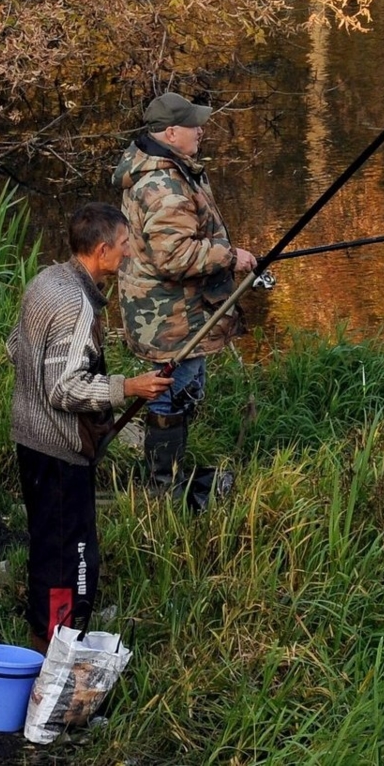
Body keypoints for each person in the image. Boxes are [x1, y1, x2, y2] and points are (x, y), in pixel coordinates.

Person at [7, 203, 172, 652]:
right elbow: (63, 388)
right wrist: (128, 387)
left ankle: (42, 640)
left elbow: (15, 347)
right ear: (101, 250)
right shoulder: (77, 304)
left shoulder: (45, 281)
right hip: (58, 452)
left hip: (29, 439)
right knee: (74, 561)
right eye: (123, 245)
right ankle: (57, 656)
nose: (129, 252)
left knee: (48, 547)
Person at [112, 91, 255, 488]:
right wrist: (230, 257)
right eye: (195, 126)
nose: (201, 131)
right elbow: (173, 258)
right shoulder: (163, 184)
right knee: (170, 394)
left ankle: (169, 475)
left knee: (182, 387)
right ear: (171, 132)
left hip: (172, 310)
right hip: (169, 315)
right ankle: (164, 486)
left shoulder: (167, 167)